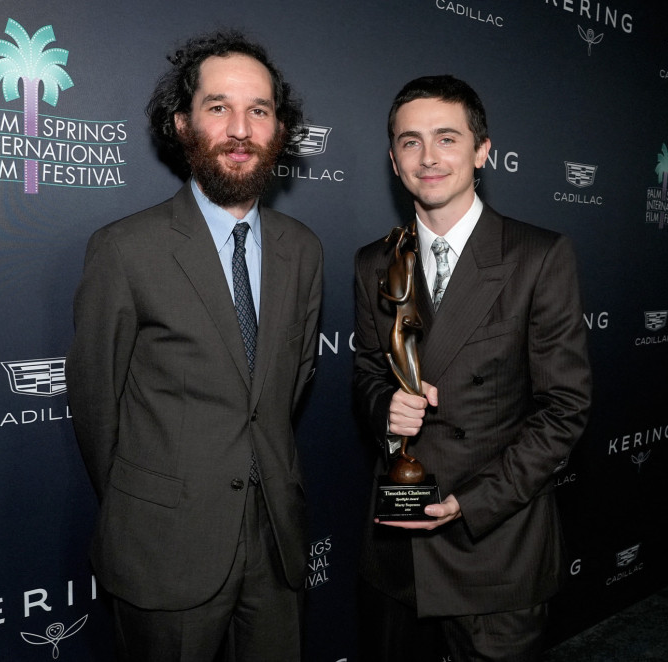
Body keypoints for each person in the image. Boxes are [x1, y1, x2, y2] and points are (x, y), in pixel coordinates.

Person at [66, 30, 323, 662]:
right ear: (182, 124)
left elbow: (288, 386)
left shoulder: (303, 250)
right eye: (218, 107)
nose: (240, 128)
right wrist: (156, 500)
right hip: (165, 547)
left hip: (277, 546)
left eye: (259, 110)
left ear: (279, 130)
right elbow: (97, 409)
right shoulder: (125, 249)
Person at [352, 75, 592, 662]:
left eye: (446, 138)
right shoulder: (374, 261)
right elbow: (365, 371)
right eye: (410, 142)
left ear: (482, 151)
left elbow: (565, 409)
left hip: (494, 544)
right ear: (393, 159)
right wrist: (386, 406)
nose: (428, 157)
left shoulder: (538, 255)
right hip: (398, 545)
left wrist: (473, 503)